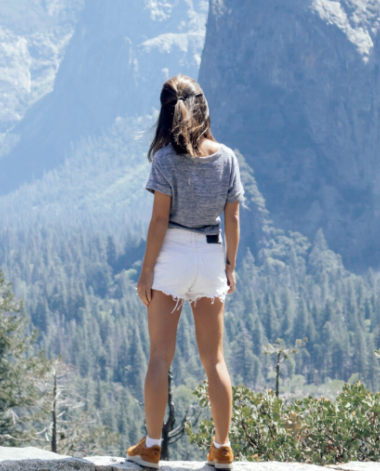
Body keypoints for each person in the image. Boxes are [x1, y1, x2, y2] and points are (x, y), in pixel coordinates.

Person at [126, 74, 244, 471]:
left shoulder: (164, 160)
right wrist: (229, 267)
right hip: (211, 254)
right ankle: (223, 447)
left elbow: (159, 221)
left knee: (160, 356)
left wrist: (146, 273)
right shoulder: (226, 157)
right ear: (203, 107)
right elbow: (233, 217)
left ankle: (153, 446)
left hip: (172, 256)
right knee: (214, 360)